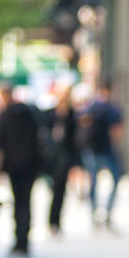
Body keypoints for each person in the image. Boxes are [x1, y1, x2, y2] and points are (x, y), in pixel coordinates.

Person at [0, 83, 40, 256]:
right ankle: (24, 239)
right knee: (26, 201)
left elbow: (1, 145)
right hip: (29, 164)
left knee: (18, 201)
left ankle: (20, 239)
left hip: (14, 165)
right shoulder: (29, 113)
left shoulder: (5, 115)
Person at [81, 80, 123, 229]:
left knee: (93, 182)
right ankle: (107, 213)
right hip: (107, 149)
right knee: (115, 180)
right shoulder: (113, 108)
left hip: (92, 149)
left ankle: (94, 214)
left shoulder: (91, 107)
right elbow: (116, 131)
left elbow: (83, 125)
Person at [44, 85, 80, 235]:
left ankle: (55, 222)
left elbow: (74, 140)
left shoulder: (71, 115)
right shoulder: (50, 114)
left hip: (64, 157)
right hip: (50, 158)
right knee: (52, 189)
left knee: (60, 190)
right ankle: (51, 221)